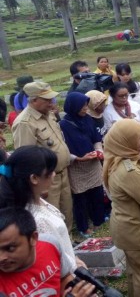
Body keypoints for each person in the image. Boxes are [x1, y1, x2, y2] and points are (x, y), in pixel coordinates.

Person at [103, 119, 140, 296]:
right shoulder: (127, 170)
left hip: (131, 228)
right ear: (125, 140)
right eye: (138, 138)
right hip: (137, 230)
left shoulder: (124, 160)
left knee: (137, 274)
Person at [0, 146, 84, 274]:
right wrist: (76, 267)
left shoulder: (35, 199)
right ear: (34, 178)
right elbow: (55, 257)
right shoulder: (39, 220)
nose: (54, 174)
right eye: (50, 171)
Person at [12, 82, 72, 231]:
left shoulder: (49, 114)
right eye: (46, 99)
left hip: (63, 173)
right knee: (52, 220)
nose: (51, 102)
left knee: (66, 212)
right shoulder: (25, 123)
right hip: (45, 181)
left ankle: (69, 244)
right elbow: (26, 158)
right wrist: (38, 187)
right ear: (33, 100)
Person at [0, 207, 96, 297]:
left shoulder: (50, 245)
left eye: (10, 248)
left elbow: (65, 277)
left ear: (33, 238)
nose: (1, 258)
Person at [59, 92, 105, 238]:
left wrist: (98, 150)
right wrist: (77, 158)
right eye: (82, 106)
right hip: (76, 167)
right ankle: (83, 227)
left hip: (92, 163)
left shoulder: (88, 119)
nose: (86, 108)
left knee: (97, 192)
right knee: (81, 198)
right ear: (73, 107)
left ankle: (99, 219)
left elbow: (96, 138)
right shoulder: (63, 125)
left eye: (86, 105)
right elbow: (63, 148)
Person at [103, 82, 140, 173]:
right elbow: (110, 132)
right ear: (113, 96)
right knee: (130, 170)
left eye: (126, 95)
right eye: (121, 96)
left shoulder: (135, 105)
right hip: (123, 146)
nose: (124, 98)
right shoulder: (108, 111)